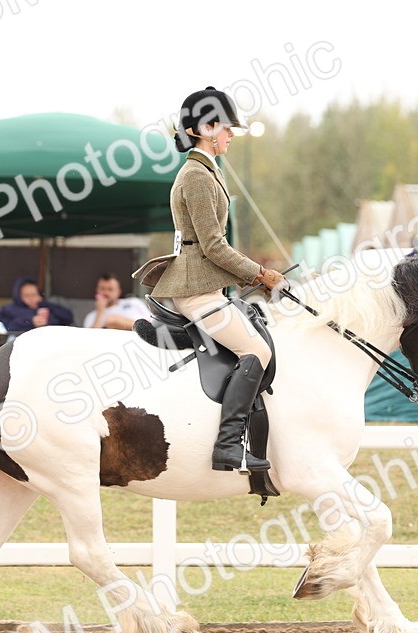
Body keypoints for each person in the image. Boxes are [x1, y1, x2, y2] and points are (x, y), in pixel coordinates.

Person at [150, 86, 286, 473]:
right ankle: (227, 445)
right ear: (206, 128)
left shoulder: (207, 171)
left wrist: (252, 278)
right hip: (195, 291)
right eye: (226, 128)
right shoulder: (196, 175)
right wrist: (259, 273)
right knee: (257, 352)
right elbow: (213, 246)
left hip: (206, 284)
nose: (230, 135)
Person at [0, 277, 74, 334]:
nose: (31, 299)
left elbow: (68, 318)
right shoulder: (8, 310)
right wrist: (30, 321)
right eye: (27, 296)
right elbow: (5, 328)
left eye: (34, 294)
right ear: (18, 296)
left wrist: (44, 304)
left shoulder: (46, 307)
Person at [83, 273, 149, 330]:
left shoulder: (133, 302)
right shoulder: (92, 316)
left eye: (110, 289)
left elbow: (151, 324)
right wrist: (100, 312)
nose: (106, 292)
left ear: (119, 291)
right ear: (97, 290)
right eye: (102, 289)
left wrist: (116, 322)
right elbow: (91, 338)